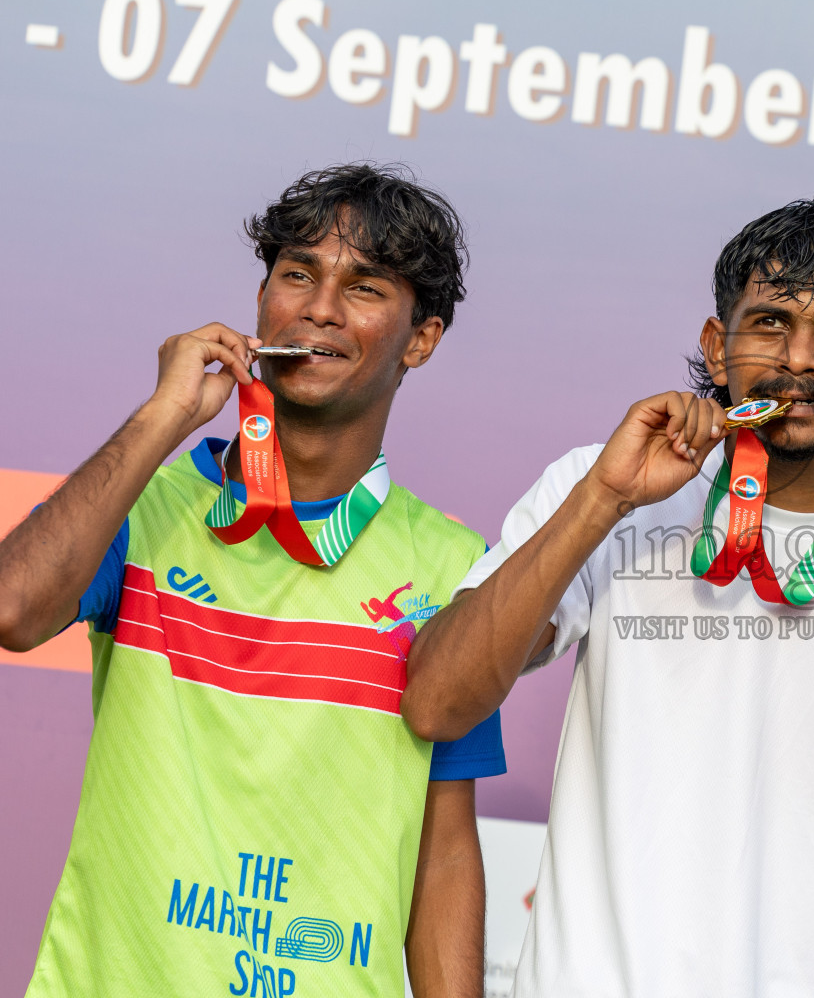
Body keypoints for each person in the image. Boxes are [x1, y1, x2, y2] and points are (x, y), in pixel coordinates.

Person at [402, 197, 814, 998]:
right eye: (767, 323)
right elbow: (438, 704)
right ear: (715, 347)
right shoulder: (599, 486)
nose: (796, 358)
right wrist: (605, 501)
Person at [0, 163, 506, 998]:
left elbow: (446, 849)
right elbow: (14, 609)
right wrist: (163, 416)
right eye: (297, 274)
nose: (320, 307)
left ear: (422, 338)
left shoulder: (453, 564)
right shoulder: (144, 508)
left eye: (366, 287)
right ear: (262, 301)